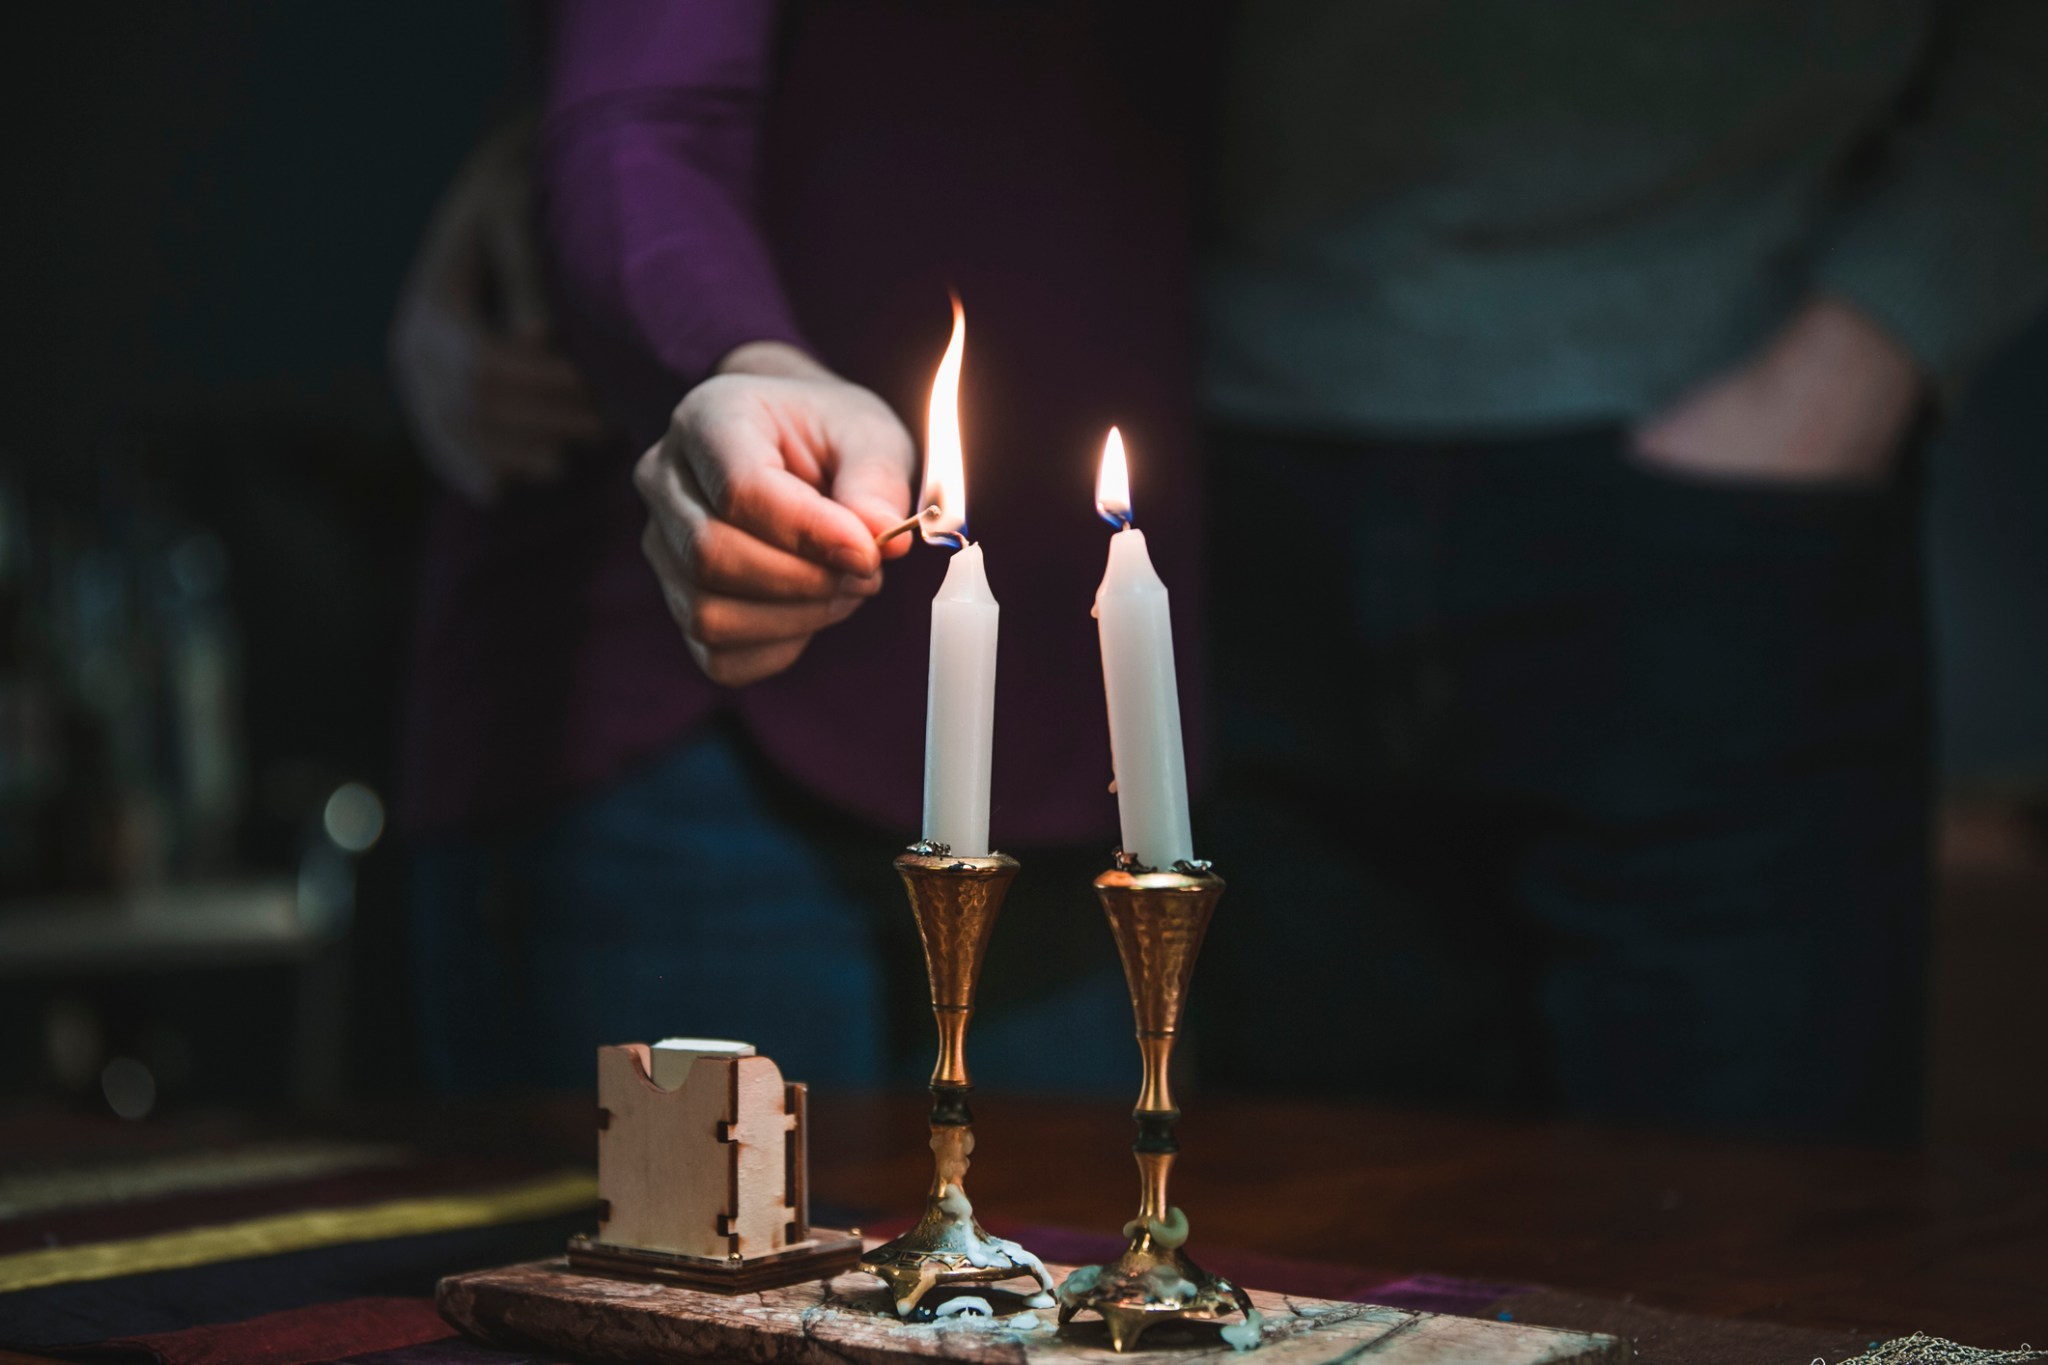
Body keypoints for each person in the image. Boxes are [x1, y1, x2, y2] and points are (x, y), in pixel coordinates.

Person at [1192, 1, 2048, 1138]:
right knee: (1331, 1227)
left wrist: (1864, 354)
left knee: (1744, 1228)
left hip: (1714, 451)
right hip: (1244, 443)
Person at [392, 1, 1209, 1094]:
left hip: (1082, 765)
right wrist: (749, 355)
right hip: (683, 737)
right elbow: (644, 109)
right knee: (697, 1247)